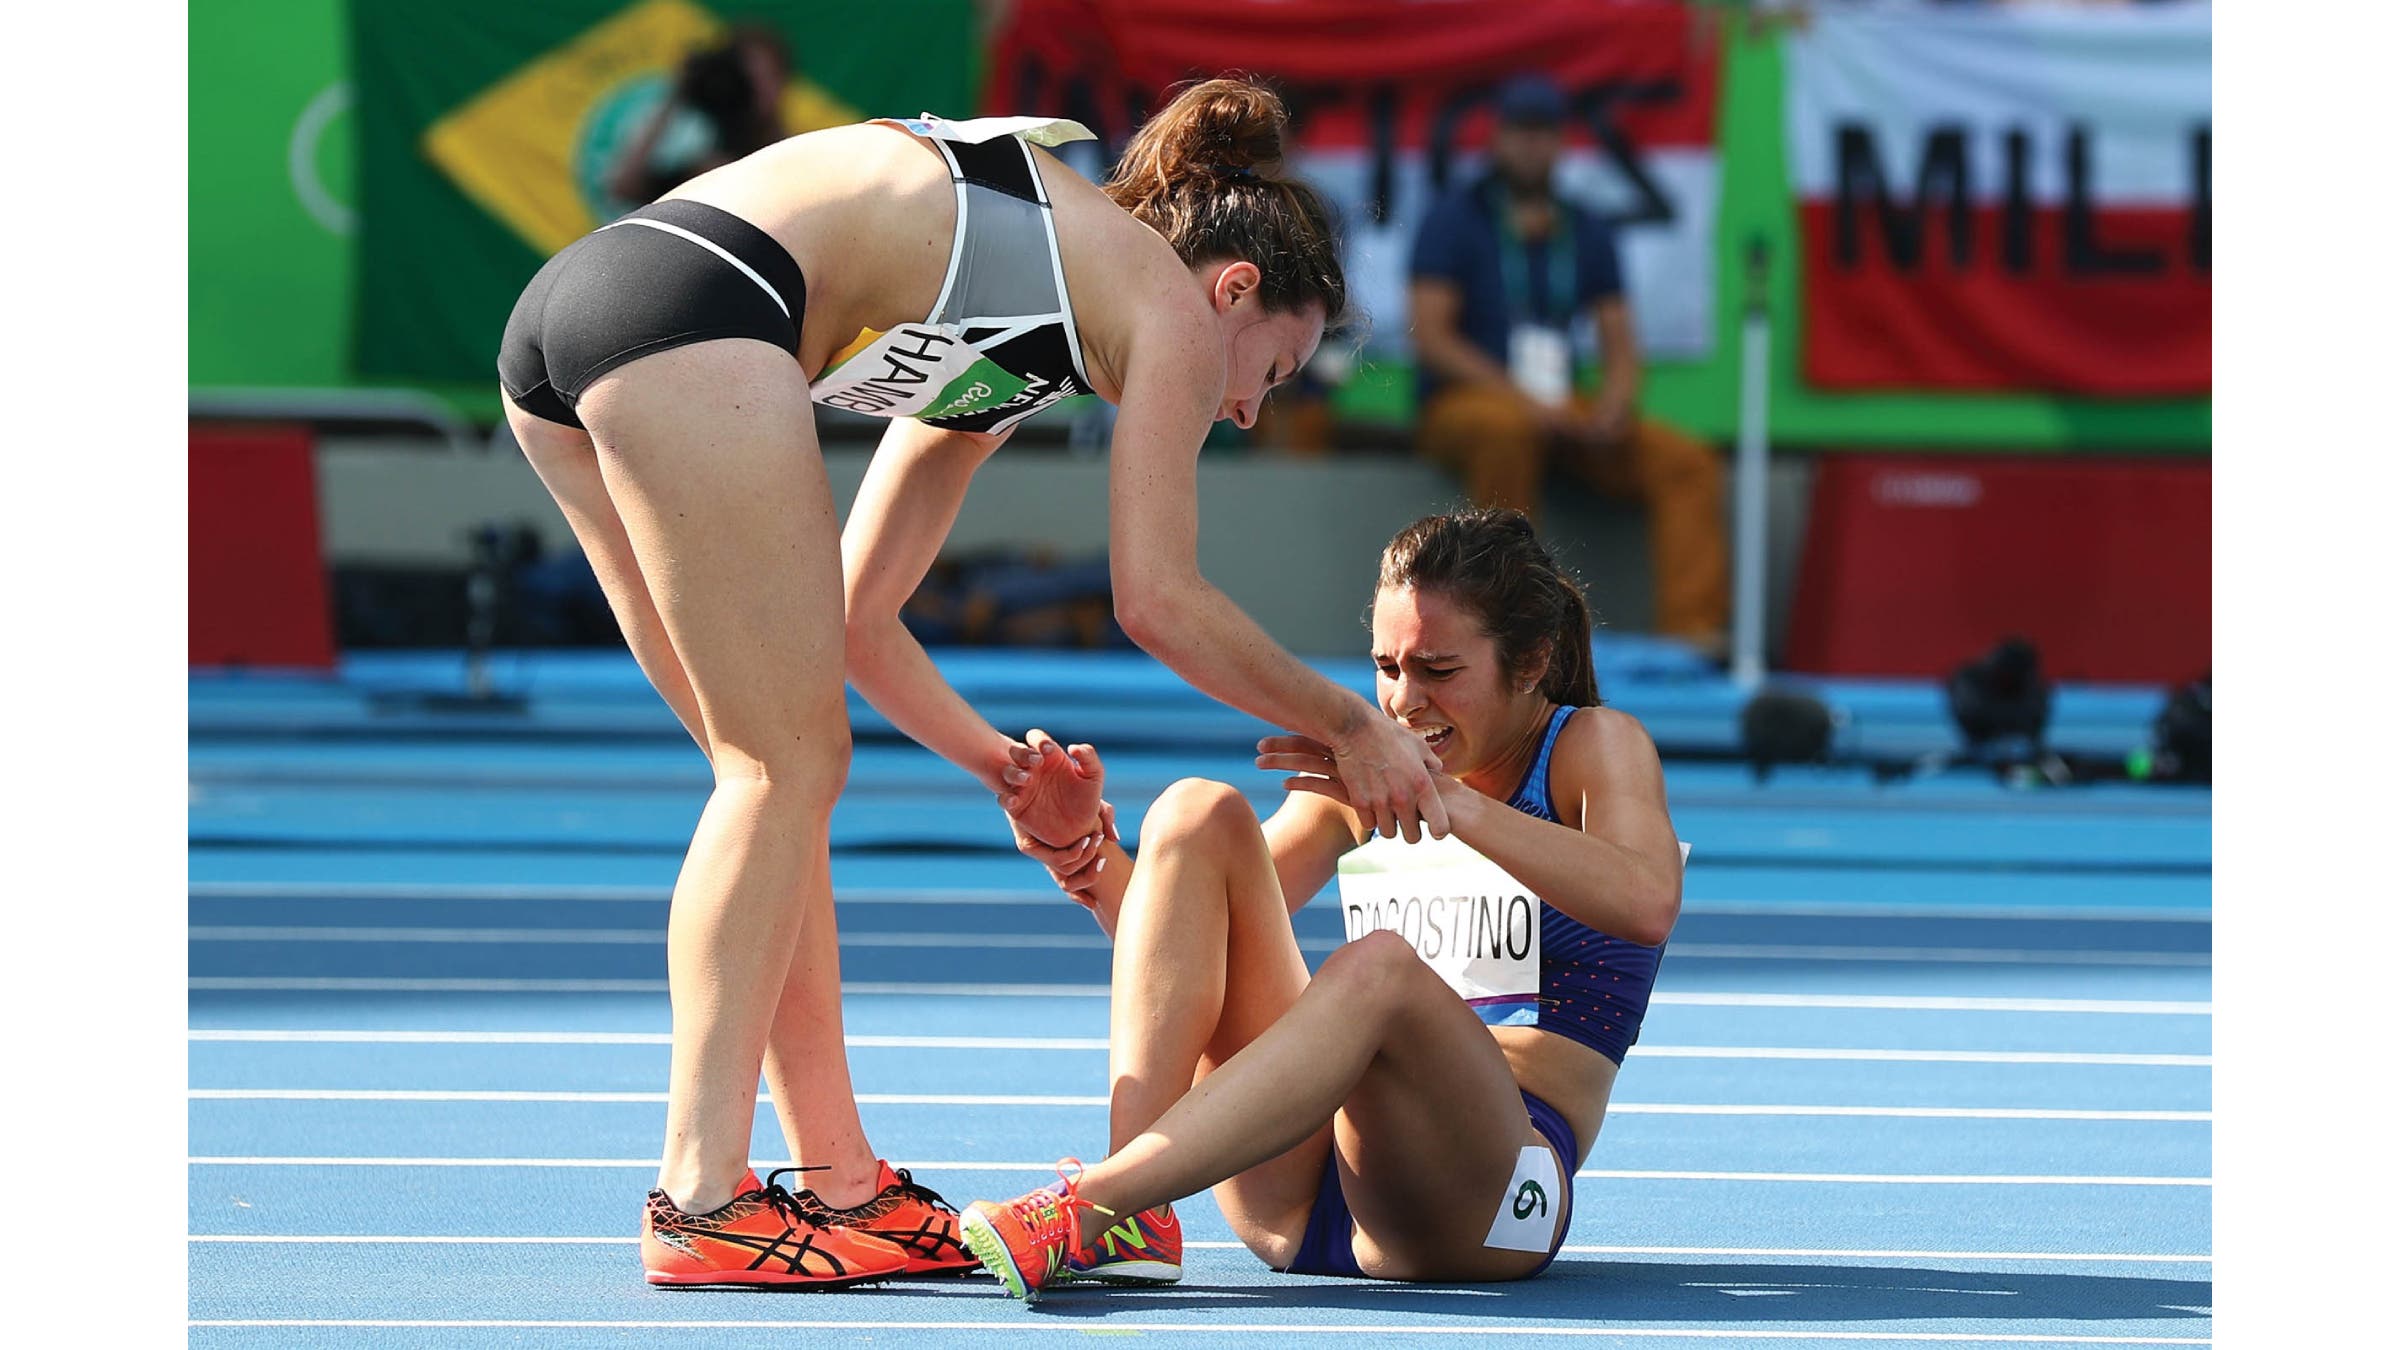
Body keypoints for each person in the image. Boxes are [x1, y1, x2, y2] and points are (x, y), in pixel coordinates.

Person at [494, 78, 1449, 1289]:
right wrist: (1350, 723)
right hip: (691, 303)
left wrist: (1000, 765)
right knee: (780, 770)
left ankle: (842, 1184)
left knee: (776, 792)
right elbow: (1157, 599)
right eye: (1277, 365)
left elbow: (858, 613)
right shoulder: (1159, 298)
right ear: (1235, 291)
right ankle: (697, 1198)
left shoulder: (1026, 328)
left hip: (585, 313)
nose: (1253, 408)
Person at [957, 508, 1684, 1298]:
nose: (1404, 703)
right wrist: (1085, 856)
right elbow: (1184, 941)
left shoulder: (1592, 746)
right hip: (1303, 1190)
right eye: (1386, 666)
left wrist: (1450, 805)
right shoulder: (1362, 780)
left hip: (1494, 1197)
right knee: (1196, 812)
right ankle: (1136, 1215)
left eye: (1439, 672)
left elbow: (1646, 901)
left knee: (1380, 969)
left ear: (1533, 661)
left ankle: (1095, 1201)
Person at [1409, 73, 1730, 659]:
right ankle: (1505, 628)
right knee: (1509, 430)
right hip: (1469, 406)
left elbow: (1619, 339)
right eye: (1521, 133)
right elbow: (1432, 338)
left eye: (1546, 134)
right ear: (1497, 139)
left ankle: (1692, 638)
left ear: (1562, 143)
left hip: (1560, 405)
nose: (1533, 146)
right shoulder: (1455, 217)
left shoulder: (1584, 225)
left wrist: (1614, 402)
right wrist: (1524, 401)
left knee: (1686, 462)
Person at [604, 24, 795, 208]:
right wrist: (677, 95)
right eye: (746, 78)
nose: (754, 89)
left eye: (766, 77)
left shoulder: (791, 160)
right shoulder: (699, 165)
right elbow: (623, 185)